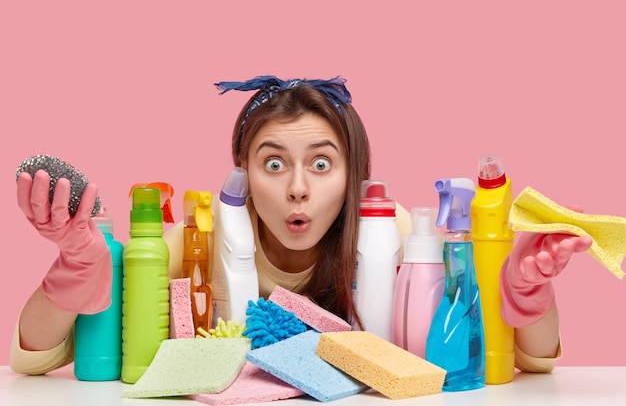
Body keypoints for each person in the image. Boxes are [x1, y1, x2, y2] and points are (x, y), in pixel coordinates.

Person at [10, 75, 592, 377]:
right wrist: (74, 270)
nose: (297, 187)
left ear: (354, 175)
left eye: (321, 163)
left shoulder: (399, 256)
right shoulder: (191, 248)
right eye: (272, 163)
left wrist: (528, 298)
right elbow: (35, 358)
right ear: (242, 173)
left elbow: (531, 363)